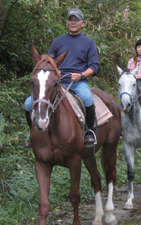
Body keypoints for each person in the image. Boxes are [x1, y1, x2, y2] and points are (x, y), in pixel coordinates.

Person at [24, 8, 99, 148]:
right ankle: (33, 134)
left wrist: (81, 75)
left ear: (83, 23)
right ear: (66, 22)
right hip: (57, 81)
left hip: (77, 82)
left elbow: (94, 67)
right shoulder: (58, 41)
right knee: (28, 103)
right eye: (71, 19)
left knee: (87, 98)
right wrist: (53, 73)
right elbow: (48, 61)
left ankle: (88, 132)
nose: (73, 22)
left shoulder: (89, 42)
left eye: (76, 20)